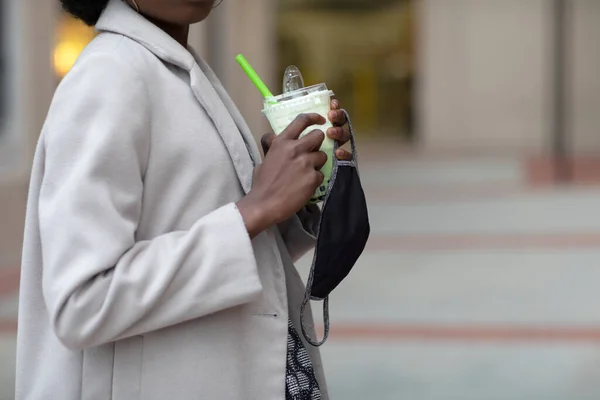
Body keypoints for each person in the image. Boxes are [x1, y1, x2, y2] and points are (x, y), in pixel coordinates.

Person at [15, 0, 353, 399]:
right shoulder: (109, 75)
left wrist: (294, 194)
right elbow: (83, 302)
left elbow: (226, 238)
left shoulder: (174, 68)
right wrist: (254, 209)